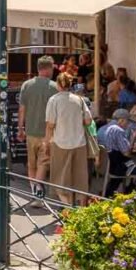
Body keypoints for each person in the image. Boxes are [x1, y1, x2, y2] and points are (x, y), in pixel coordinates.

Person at [44, 71, 93, 205]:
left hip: (60, 143)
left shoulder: (54, 100)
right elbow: (88, 121)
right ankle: (80, 212)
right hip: (79, 143)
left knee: (59, 180)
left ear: (58, 84)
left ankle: (68, 208)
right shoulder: (79, 100)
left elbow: (50, 125)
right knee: (79, 180)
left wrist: (46, 143)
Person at [19, 56, 58, 197]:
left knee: (31, 164)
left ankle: (33, 191)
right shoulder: (55, 87)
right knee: (43, 163)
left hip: (30, 131)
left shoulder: (26, 85)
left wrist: (20, 128)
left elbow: (22, 109)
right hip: (47, 133)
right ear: (47, 69)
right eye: (52, 67)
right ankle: (37, 193)